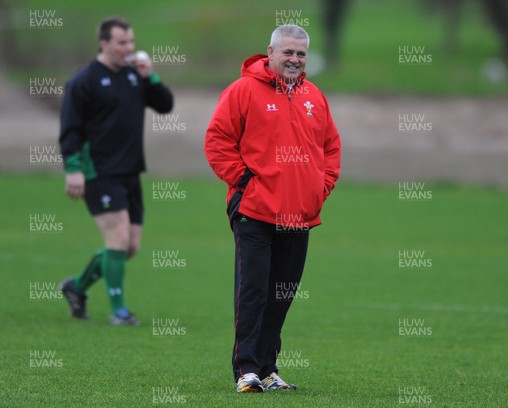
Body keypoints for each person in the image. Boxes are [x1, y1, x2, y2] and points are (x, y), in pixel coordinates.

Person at [204, 24, 341, 392]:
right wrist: (246, 183)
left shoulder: (315, 95)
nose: (295, 60)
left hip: (299, 215)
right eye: (288, 53)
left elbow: (330, 149)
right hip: (254, 211)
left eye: (301, 54)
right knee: (254, 292)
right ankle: (246, 369)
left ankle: (267, 369)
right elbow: (217, 141)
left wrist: (318, 188)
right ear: (271, 52)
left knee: (282, 295)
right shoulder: (243, 90)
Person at [58, 16, 174, 325]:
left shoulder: (134, 76)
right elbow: (70, 129)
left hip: (130, 171)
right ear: (104, 43)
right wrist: (73, 169)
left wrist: (151, 77)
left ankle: (77, 287)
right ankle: (119, 312)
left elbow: (165, 105)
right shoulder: (83, 81)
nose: (129, 49)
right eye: (122, 43)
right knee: (118, 239)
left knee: (129, 247)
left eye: (131, 42)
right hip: (98, 171)